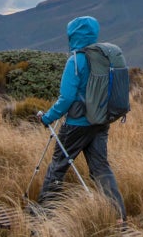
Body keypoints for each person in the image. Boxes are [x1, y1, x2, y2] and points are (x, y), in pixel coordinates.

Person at [36, 15, 126, 223]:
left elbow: (66, 98)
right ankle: (118, 216)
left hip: (76, 125)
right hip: (100, 122)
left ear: (73, 35)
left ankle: (43, 215)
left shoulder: (75, 60)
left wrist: (48, 117)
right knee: (101, 168)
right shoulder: (103, 57)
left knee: (58, 166)